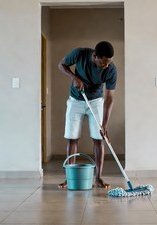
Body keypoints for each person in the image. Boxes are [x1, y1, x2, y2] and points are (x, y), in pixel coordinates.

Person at [58, 41, 117, 189]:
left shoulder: (111, 70)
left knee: (99, 139)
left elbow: (109, 98)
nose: (106, 66)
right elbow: (61, 65)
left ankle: (98, 178)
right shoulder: (79, 53)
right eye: (103, 62)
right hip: (75, 100)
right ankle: (70, 178)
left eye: (109, 62)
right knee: (72, 138)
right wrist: (73, 77)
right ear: (95, 56)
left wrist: (104, 125)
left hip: (96, 101)